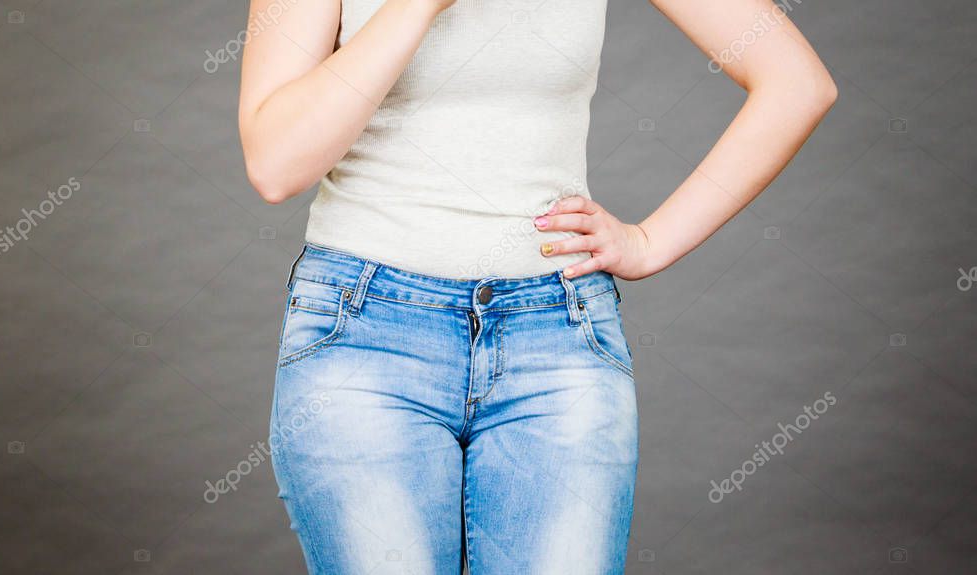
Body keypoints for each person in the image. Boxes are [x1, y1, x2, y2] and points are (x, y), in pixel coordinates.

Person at [238, 0, 836, 573]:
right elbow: (276, 163)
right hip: (364, 338)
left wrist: (650, 241)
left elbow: (797, 84)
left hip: (556, 339)